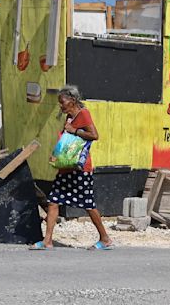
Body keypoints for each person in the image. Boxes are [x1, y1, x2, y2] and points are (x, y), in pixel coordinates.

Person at [30, 85, 113, 250]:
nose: (60, 105)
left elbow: (94, 135)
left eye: (62, 101)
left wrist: (74, 130)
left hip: (80, 170)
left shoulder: (83, 114)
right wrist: (57, 155)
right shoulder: (69, 117)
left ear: (73, 100)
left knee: (88, 204)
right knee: (53, 201)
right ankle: (47, 241)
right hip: (66, 168)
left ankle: (105, 238)